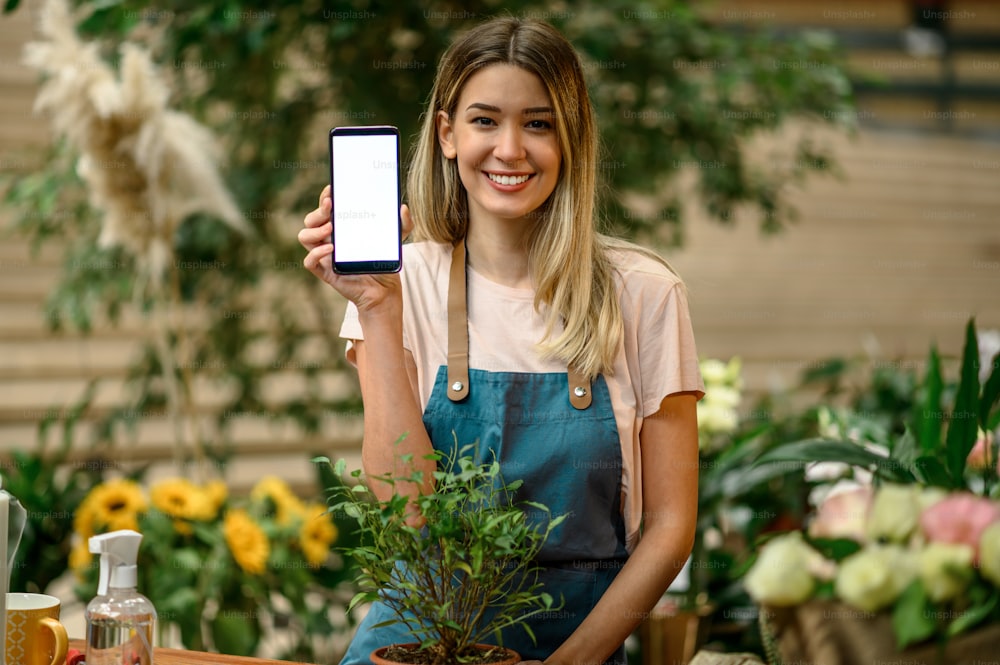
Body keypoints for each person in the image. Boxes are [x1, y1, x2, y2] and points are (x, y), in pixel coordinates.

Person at [299, 16, 703, 665]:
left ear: (570, 139)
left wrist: (573, 659)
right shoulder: (401, 282)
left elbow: (670, 528)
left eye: (538, 123)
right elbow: (407, 520)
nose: (510, 149)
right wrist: (378, 309)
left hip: (580, 634)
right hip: (420, 633)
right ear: (447, 133)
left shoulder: (646, 294)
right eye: (485, 120)